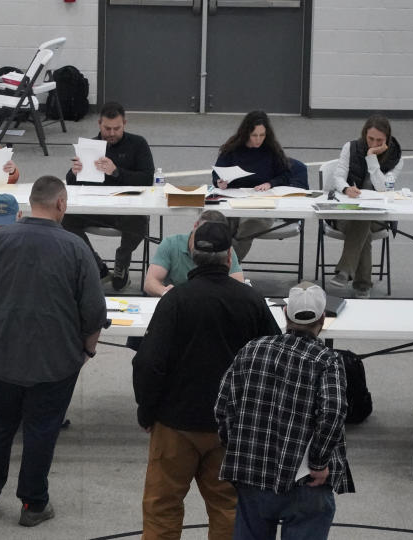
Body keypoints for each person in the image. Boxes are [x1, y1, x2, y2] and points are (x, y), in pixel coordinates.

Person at [0, 176, 107, 527]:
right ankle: (33, 504)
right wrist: (86, 351)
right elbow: (94, 313)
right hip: (55, 362)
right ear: (61, 204)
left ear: (30, 202)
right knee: (42, 431)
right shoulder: (75, 248)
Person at [132, 220, 280, 540]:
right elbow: (274, 359)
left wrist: (147, 411)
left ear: (192, 254)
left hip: (175, 424)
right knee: (227, 507)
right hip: (232, 427)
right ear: (230, 257)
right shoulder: (251, 301)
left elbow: (148, 363)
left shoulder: (175, 300)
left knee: (162, 506)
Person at [216, 282, 355, 539]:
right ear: (323, 319)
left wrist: (236, 448)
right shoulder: (326, 361)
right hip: (305, 482)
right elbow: (333, 412)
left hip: (253, 475)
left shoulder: (252, 349)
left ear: (285, 315)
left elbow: (224, 406)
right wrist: (319, 461)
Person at [63, 102, 154, 290]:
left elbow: (147, 178)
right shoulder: (90, 147)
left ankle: (122, 261)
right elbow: (71, 183)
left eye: (116, 128)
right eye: (107, 128)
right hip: (95, 208)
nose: (112, 133)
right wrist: (74, 172)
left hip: (126, 209)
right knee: (64, 217)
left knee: (140, 221)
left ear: (125, 124)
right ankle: (95, 264)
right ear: (99, 124)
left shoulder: (138, 144)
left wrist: (116, 172)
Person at [327, 114, 402, 298]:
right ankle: (362, 285)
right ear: (364, 134)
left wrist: (371, 157)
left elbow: (383, 188)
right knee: (362, 224)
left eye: (379, 140)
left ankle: (345, 271)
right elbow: (338, 176)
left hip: (379, 218)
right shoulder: (350, 147)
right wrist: (346, 189)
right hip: (347, 214)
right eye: (370, 139)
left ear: (388, 139)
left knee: (364, 219)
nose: (374, 143)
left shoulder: (396, 157)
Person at [212, 110, 293, 261]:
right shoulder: (232, 148)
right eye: (254, 135)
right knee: (219, 224)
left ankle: (222, 268)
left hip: (261, 204)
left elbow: (287, 175)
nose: (258, 140)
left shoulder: (271, 149)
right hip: (234, 200)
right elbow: (217, 173)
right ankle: (224, 270)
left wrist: (271, 183)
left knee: (248, 226)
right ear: (246, 133)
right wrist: (219, 182)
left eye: (262, 135)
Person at [143, 210, 243, 297]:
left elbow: (238, 285)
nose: (208, 238)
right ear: (195, 226)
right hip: (177, 302)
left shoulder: (224, 249)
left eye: (216, 235)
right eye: (204, 231)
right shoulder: (171, 244)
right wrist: (164, 292)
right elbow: (150, 282)